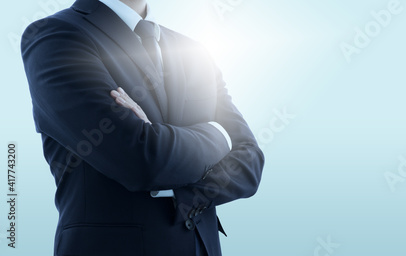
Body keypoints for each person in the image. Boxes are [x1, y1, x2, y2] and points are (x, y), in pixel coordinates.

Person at [20, 0, 265, 255]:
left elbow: (250, 165)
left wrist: (173, 170)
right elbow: (143, 159)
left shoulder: (194, 51)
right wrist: (220, 136)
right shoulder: (56, 36)